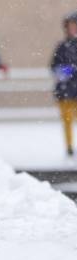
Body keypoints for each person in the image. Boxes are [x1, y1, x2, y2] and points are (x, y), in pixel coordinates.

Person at [51, 12, 77, 156]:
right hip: (65, 92)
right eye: (70, 26)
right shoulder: (62, 47)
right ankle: (69, 147)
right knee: (67, 121)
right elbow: (54, 67)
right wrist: (67, 70)